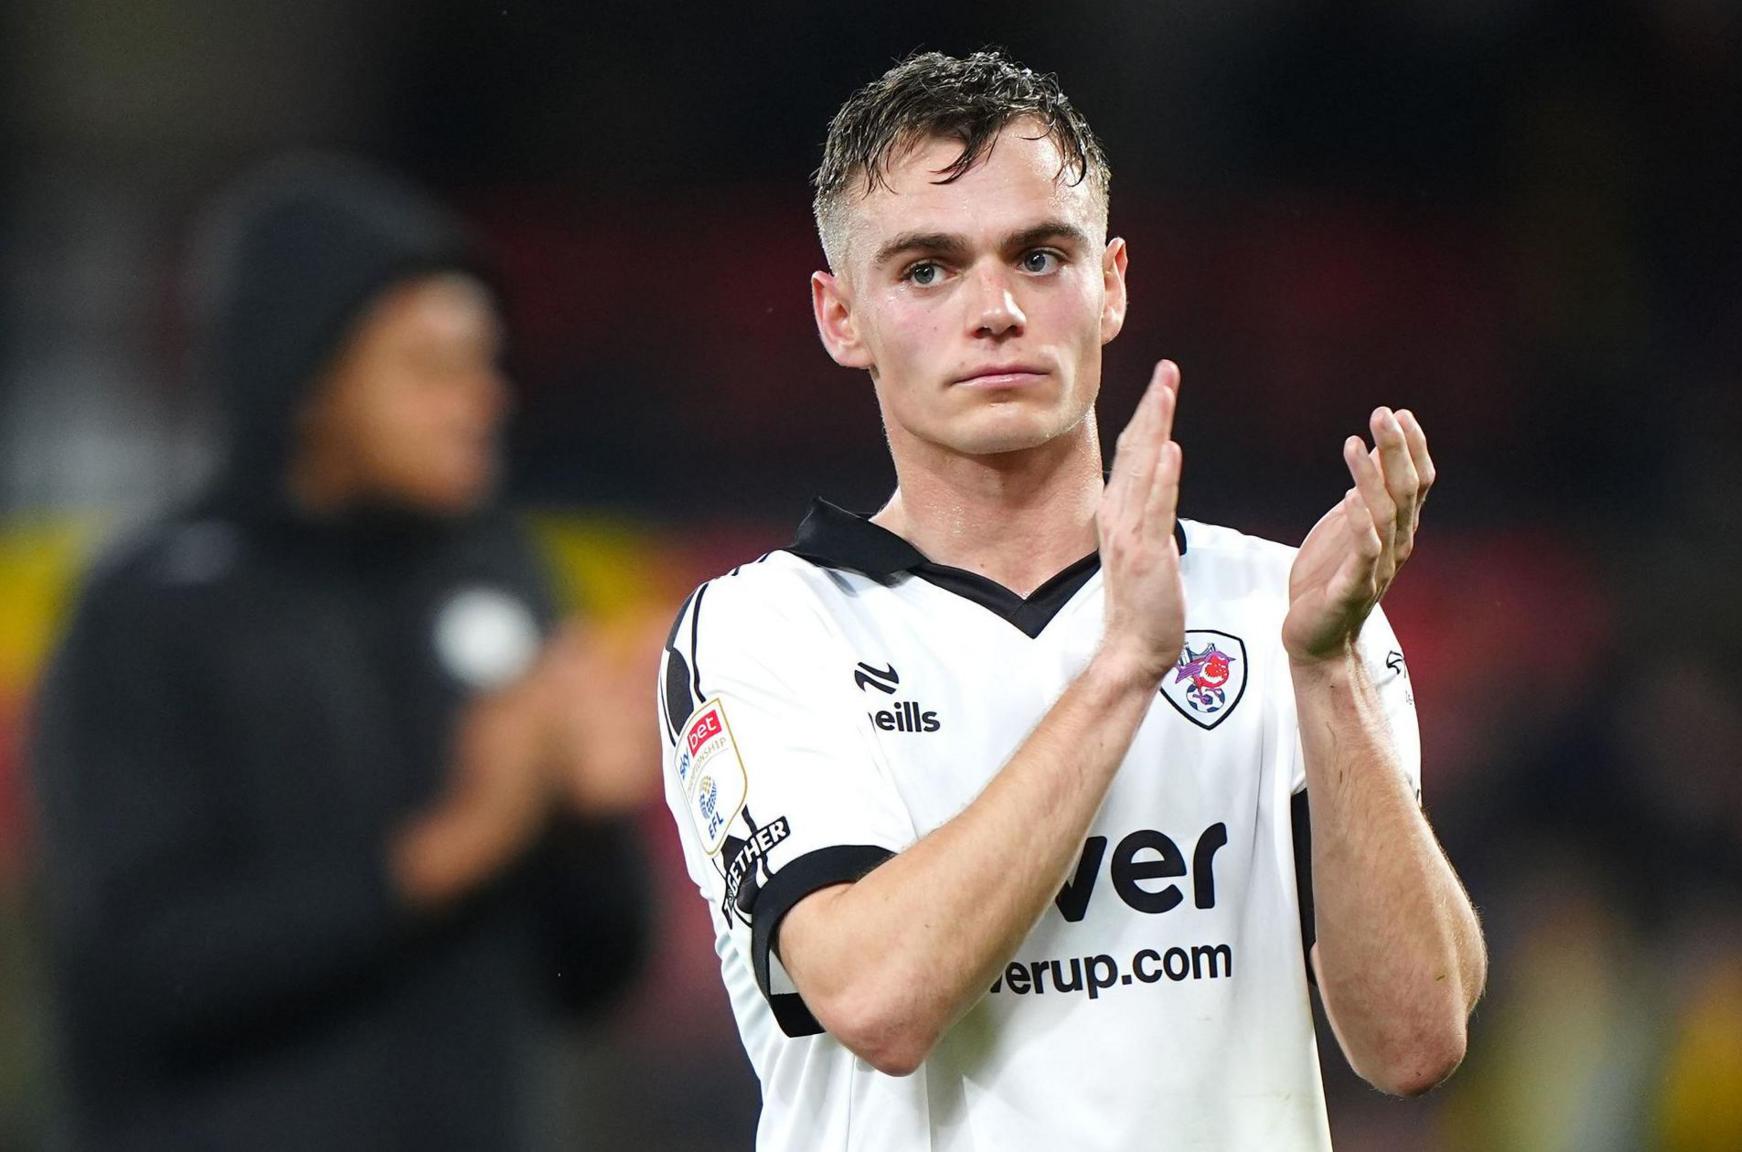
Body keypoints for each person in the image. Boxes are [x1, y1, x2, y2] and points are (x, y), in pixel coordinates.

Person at [657, 50, 1487, 1151]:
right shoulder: (768, 631)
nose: (994, 309)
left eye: (1039, 256)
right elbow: (877, 1002)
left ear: (1113, 283)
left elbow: (1412, 1045)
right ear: (838, 315)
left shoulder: (1284, 611)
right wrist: (1119, 669)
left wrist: (1326, 671)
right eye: (924, 270)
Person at [31, 157, 654, 1151]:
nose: (482, 400)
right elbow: (140, 977)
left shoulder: (500, 575)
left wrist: (585, 816)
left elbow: (591, 980)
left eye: (486, 363)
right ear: (307, 378)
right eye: (430, 366)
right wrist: (448, 848)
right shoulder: (150, 610)